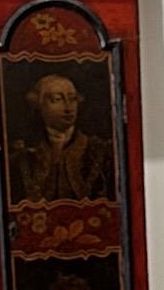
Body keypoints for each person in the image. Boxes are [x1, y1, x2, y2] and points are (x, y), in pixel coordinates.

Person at [10, 71, 113, 202]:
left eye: (72, 99)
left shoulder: (100, 151)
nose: (68, 108)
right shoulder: (22, 156)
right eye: (57, 99)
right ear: (39, 105)